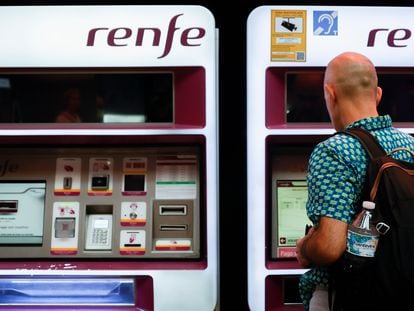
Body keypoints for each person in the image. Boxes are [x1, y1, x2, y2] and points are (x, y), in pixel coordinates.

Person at [295, 51, 414, 310]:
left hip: (350, 293)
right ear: (378, 94)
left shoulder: (334, 150)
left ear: (330, 93)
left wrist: (305, 248)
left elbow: (328, 246)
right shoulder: (411, 146)